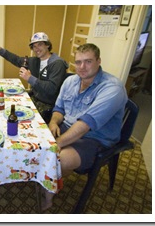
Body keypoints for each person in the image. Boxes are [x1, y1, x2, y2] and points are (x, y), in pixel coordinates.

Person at [43, 43, 128, 211]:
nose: (82, 67)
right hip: (68, 128)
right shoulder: (70, 81)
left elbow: (85, 125)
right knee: (32, 141)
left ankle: (47, 194)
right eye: (78, 62)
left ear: (98, 61)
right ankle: (49, 177)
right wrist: (53, 122)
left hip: (95, 138)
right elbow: (59, 109)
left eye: (88, 61)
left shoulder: (113, 88)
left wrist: (56, 143)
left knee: (59, 159)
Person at [0, 32, 68, 123]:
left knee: (18, 119)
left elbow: (52, 89)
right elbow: (17, 60)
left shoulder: (58, 64)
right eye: (34, 46)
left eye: (40, 45)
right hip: (35, 97)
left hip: (48, 105)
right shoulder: (35, 60)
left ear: (47, 45)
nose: (36, 49)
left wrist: (30, 78)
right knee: (9, 106)